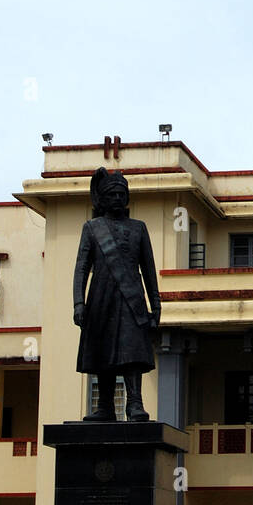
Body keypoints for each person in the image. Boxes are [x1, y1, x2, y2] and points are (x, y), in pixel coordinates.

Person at [73, 168, 161, 423]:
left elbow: (149, 269)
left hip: (132, 299)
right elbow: (81, 268)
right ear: (103, 198)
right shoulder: (91, 228)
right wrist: (79, 302)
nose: (117, 198)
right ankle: (105, 407)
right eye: (112, 194)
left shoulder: (138, 228)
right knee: (103, 352)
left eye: (122, 194)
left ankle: (135, 404)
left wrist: (155, 304)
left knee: (131, 351)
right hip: (100, 298)